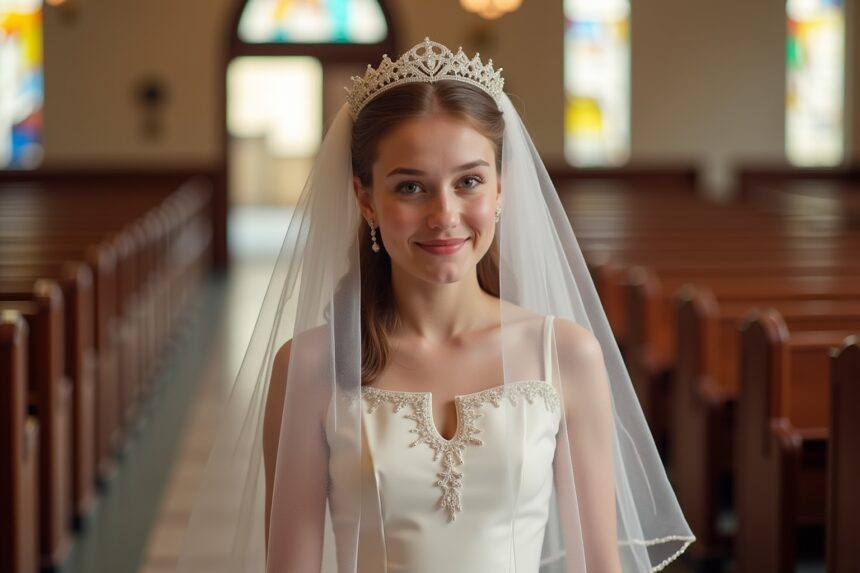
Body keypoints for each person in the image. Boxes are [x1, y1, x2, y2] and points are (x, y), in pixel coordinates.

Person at [177, 38, 694, 573]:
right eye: (410, 187)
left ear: (500, 189)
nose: (444, 215)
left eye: (469, 181)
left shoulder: (565, 354)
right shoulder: (308, 367)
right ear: (365, 199)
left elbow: (600, 566)